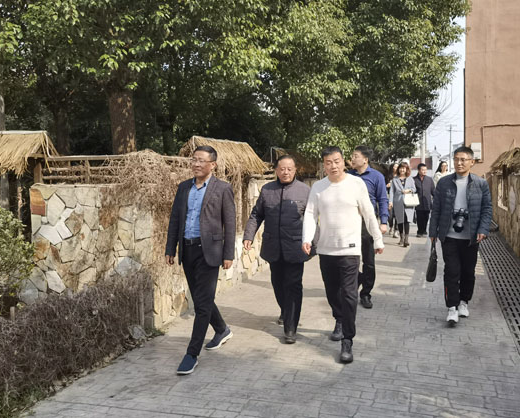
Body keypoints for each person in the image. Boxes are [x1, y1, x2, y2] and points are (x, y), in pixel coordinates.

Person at [302, 146, 384, 363]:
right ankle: (338, 319)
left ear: (343, 161)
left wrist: (378, 239)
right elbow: (310, 215)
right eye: (328, 162)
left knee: (349, 295)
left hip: (350, 249)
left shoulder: (356, 184)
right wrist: (307, 239)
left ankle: (347, 339)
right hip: (326, 249)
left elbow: (369, 213)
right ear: (324, 165)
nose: (333, 166)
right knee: (332, 292)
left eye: (337, 161)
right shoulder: (318, 187)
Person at [165, 145, 236, 375]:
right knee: (200, 298)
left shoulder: (222, 188)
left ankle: (192, 354)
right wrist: (170, 248)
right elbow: (175, 219)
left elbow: (230, 223)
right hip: (187, 250)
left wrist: (228, 254)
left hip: (210, 251)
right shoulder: (183, 187)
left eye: (201, 160)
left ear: (212, 165)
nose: (196, 164)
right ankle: (222, 329)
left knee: (202, 305)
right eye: (194, 159)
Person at [243, 155, 310, 344]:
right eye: (282, 168)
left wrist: (313, 242)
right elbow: (256, 215)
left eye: (289, 169)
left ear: (295, 170)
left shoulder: (305, 191)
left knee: (293, 285)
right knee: (278, 283)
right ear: (276, 170)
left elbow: (312, 219)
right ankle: (285, 310)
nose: (285, 172)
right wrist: (248, 235)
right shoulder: (267, 190)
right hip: (273, 247)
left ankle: (291, 327)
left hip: (295, 247)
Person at [429, 146, 492, 325]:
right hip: (449, 236)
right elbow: (436, 208)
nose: (459, 163)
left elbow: (487, 208)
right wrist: (433, 231)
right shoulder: (444, 183)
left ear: (472, 162)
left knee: (468, 272)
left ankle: (464, 301)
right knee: (451, 271)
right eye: (456, 159)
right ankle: (452, 307)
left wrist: (483, 229)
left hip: (470, 238)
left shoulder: (480, 184)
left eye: (463, 159)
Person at [348, 146, 388, 309]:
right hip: (350, 222)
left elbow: (382, 199)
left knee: (369, 261)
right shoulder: (348, 176)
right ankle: (356, 282)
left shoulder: (377, 177)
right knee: (349, 258)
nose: (352, 159)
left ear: (365, 159)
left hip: (368, 223)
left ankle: (366, 293)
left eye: (355, 156)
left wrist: (383, 221)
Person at [389, 161, 416, 247]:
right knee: (400, 220)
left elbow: (414, 189)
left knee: (407, 220)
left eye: (404, 168)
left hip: (408, 202)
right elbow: (392, 191)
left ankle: (406, 239)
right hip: (398, 202)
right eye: (401, 168)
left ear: (407, 169)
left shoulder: (410, 179)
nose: (402, 170)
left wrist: (409, 190)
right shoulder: (395, 179)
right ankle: (401, 238)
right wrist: (390, 201)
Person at [413, 163, 435, 237]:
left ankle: (424, 230)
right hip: (418, 202)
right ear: (419, 170)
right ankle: (419, 231)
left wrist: (437, 198)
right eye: (423, 170)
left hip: (427, 202)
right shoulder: (414, 180)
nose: (424, 171)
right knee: (419, 217)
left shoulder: (429, 179)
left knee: (426, 217)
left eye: (425, 170)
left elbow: (433, 190)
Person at [387, 162, 399, 237]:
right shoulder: (388, 177)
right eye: (395, 167)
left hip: (398, 198)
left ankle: (396, 230)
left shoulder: (400, 177)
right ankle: (391, 226)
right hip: (389, 197)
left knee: (397, 215)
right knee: (390, 215)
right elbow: (383, 186)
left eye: (397, 167)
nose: (396, 168)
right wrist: (387, 185)